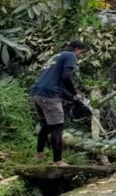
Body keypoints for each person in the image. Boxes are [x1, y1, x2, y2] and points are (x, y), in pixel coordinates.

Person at [30, 39, 86, 167]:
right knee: (57, 127)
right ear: (76, 49)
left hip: (37, 92)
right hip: (49, 95)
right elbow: (67, 77)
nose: (79, 56)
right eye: (81, 53)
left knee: (46, 125)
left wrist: (73, 98)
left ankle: (39, 155)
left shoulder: (56, 56)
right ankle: (57, 161)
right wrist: (75, 92)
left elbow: (59, 86)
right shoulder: (70, 55)